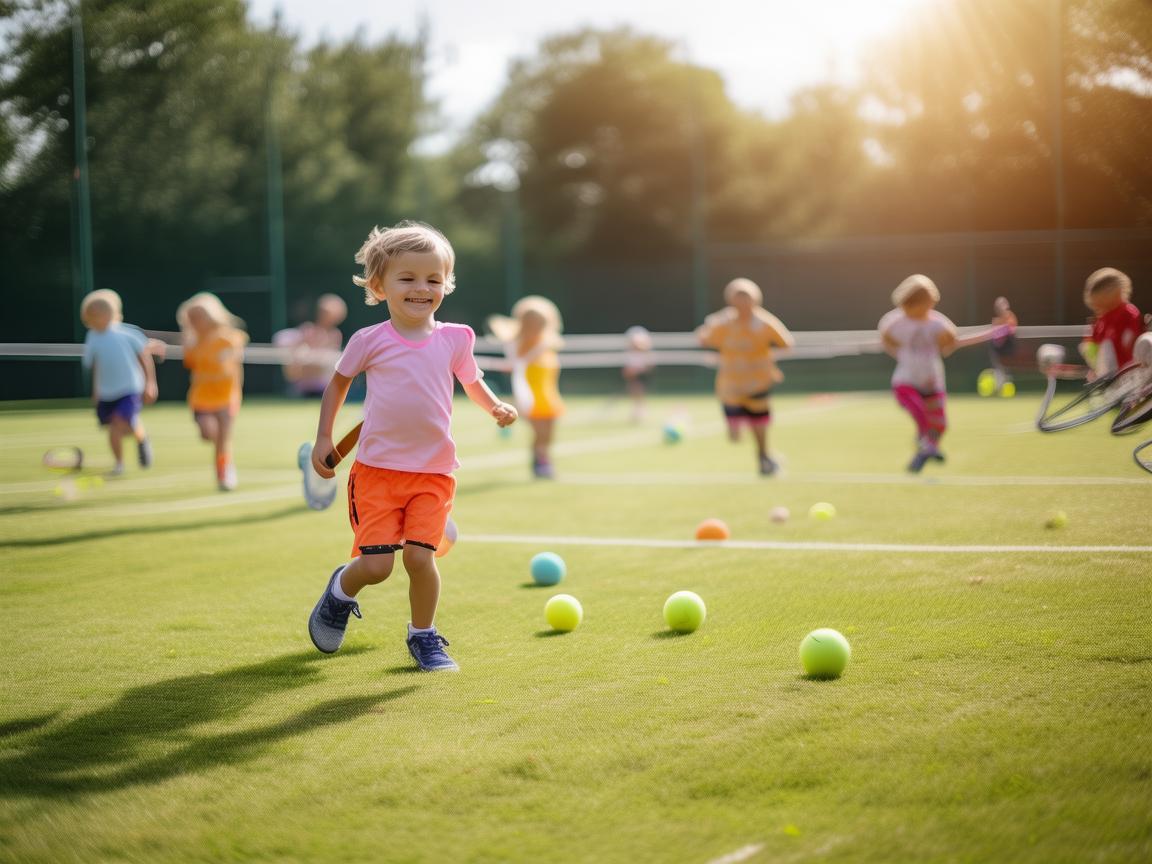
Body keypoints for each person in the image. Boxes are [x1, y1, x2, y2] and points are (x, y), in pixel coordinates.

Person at [307, 221, 517, 672]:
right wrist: (325, 437)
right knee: (378, 568)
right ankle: (340, 593)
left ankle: (423, 636)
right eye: (408, 278)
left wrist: (496, 406)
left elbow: (472, 381)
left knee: (421, 558)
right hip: (377, 473)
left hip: (434, 473)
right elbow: (338, 384)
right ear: (380, 286)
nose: (422, 289)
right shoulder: (369, 341)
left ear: (446, 284)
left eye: (433, 279)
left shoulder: (456, 338)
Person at [879, 274, 1013, 473]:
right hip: (905, 380)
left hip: (932, 381)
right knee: (919, 411)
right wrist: (901, 353)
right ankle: (926, 443)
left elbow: (949, 345)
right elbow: (887, 340)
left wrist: (995, 330)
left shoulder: (938, 324)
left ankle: (926, 450)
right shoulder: (893, 321)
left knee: (940, 425)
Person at [695, 277, 794, 476]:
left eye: (746, 297)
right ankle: (744, 436)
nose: (742, 303)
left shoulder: (764, 322)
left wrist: (768, 361)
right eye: (738, 297)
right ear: (730, 300)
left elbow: (786, 344)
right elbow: (703, 338)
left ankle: (764, 457)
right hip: (730, 384)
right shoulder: (723, 321)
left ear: (755, 299)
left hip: (758, 382)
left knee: (759, 423)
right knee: (735, 435)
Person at [80, 289, 157, 476]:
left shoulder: (127, 334)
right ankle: (141, 439)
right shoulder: (92, 337)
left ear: (110, 314)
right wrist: (96, 390)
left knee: (116, 425)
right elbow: (96, 365)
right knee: (120, 426)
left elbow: (144, 357)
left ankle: (119, 466)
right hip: (107, 392)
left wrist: (150, 383)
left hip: (129, 388)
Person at [176, 292, 248, 491]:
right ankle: (224, 457)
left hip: (226, 395)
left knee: (223, 438)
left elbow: (233, 359)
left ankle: (224, 473)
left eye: (200, 317)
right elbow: (189, 362)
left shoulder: (228, 338)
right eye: (192, 318)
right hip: (201, 396)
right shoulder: (194, 341)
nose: (197, 322)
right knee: (208, 433)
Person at [487, 296, 565, 478]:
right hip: (530, 397)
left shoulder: (547, 344)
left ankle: (545, 458)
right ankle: (539, 462)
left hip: (549, 394)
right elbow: (518, 362)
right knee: (539, 432)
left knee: (549, 433)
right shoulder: (519, 344)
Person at [274, 294, 348, 397]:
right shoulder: (307, 330)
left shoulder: (335, 335)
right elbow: (292, 366)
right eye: (324, 313)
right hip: (303, 386)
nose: (328, 318)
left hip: (323, 386)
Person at [1080, 267, 1145, 379]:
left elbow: (1128, 347)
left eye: (1100, 304)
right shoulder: (1103, 319)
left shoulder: (1128, 314)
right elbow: (1092, 346)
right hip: (1110, 379)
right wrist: (1096, 368)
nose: (1097, 310)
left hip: (1127, 377)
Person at [622, 325, 655, 423]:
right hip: (634, 378)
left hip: (643, 377)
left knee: (639, 390)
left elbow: (650, 367)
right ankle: (637, 410)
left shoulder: (647, 354)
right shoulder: (630, 354)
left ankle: (640, 410)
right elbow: (626, 371)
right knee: (635, 391)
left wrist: (640, 370)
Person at [988, 296, 1019, 395]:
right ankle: (999, 388)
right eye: (999, 307)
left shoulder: (1011, 317)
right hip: (997, 350)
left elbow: (1011, 330)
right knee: (999, 370)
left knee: (1005, 371)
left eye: (1003, 306)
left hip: (1008, 349)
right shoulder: (996, 321)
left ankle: (1005, 388)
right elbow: (996, 336)